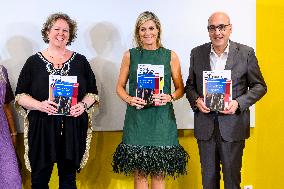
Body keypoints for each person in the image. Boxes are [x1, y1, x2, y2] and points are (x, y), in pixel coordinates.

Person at [15, 13, 99, 189]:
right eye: (57, 29)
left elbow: (93, 93)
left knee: (68, 181)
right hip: (41, 129)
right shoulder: (33, 62)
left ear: (70, 34)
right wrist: (40, 105)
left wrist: (82, 105)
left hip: (72, 129)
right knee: (39, 181)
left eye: (66, 30)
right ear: (47, 32)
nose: (61, 33)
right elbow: (20, 96)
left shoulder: (81, 61)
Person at [185, 12, 267, 189]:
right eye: (212, 28)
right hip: (205, 128)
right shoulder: (197, 53)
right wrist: (196, 100)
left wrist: (238, 103)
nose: (217, 32)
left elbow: (260, 86)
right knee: (208, 182)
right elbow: (189, 86)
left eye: (222, 27)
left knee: (232, 181)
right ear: (208, 30)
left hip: (233, 127)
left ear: (230, 29)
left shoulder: (246, 53)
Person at [112, 11, 189, 189]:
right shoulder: (129, 55)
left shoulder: (170, 56)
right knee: (139, 175)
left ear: (158, 30)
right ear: (137, 33)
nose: (148, 33)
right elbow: (119, 87)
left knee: (159, 174)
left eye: (151, 28)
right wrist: (130, 99)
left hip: (162, 121)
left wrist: (169, 96)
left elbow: (180, 89)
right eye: (143, 29)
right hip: (137, 121)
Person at [0, 65, 22, 188]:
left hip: (2, 133)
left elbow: (6, 105)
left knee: (10, 174)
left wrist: (13, 133)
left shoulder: (1, 71)